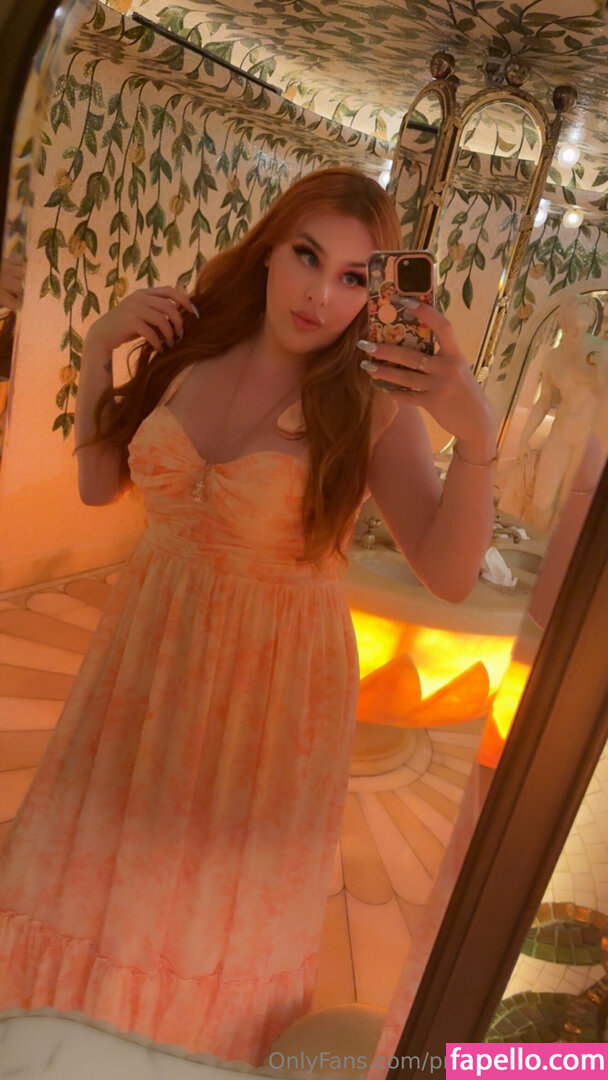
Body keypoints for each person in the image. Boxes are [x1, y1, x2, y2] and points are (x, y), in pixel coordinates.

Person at [0, 167, 497, 1066]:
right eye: (307, 256)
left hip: (271, 692)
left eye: (353, 278)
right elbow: (99, 483)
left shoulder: (372, 398)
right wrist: (99, 345)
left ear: (378, 293)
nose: (319, 295)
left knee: (202, 904)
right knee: (101, 864)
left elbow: (452, 574)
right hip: (144, 657)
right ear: (268, 249)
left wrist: (478, 439)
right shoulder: (189, 344)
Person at [500, 296, 608, 531]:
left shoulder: (601, 351)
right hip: (560, 435)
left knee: (566, 507)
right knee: (541, 504)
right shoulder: (554, 357)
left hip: (588, 438)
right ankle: (534, 544)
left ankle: (549, 551)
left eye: (584, 326)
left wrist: (602, 374)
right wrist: (524, 437)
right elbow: (544, 400)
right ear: (564, 320)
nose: (578, 332)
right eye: (574, 326)